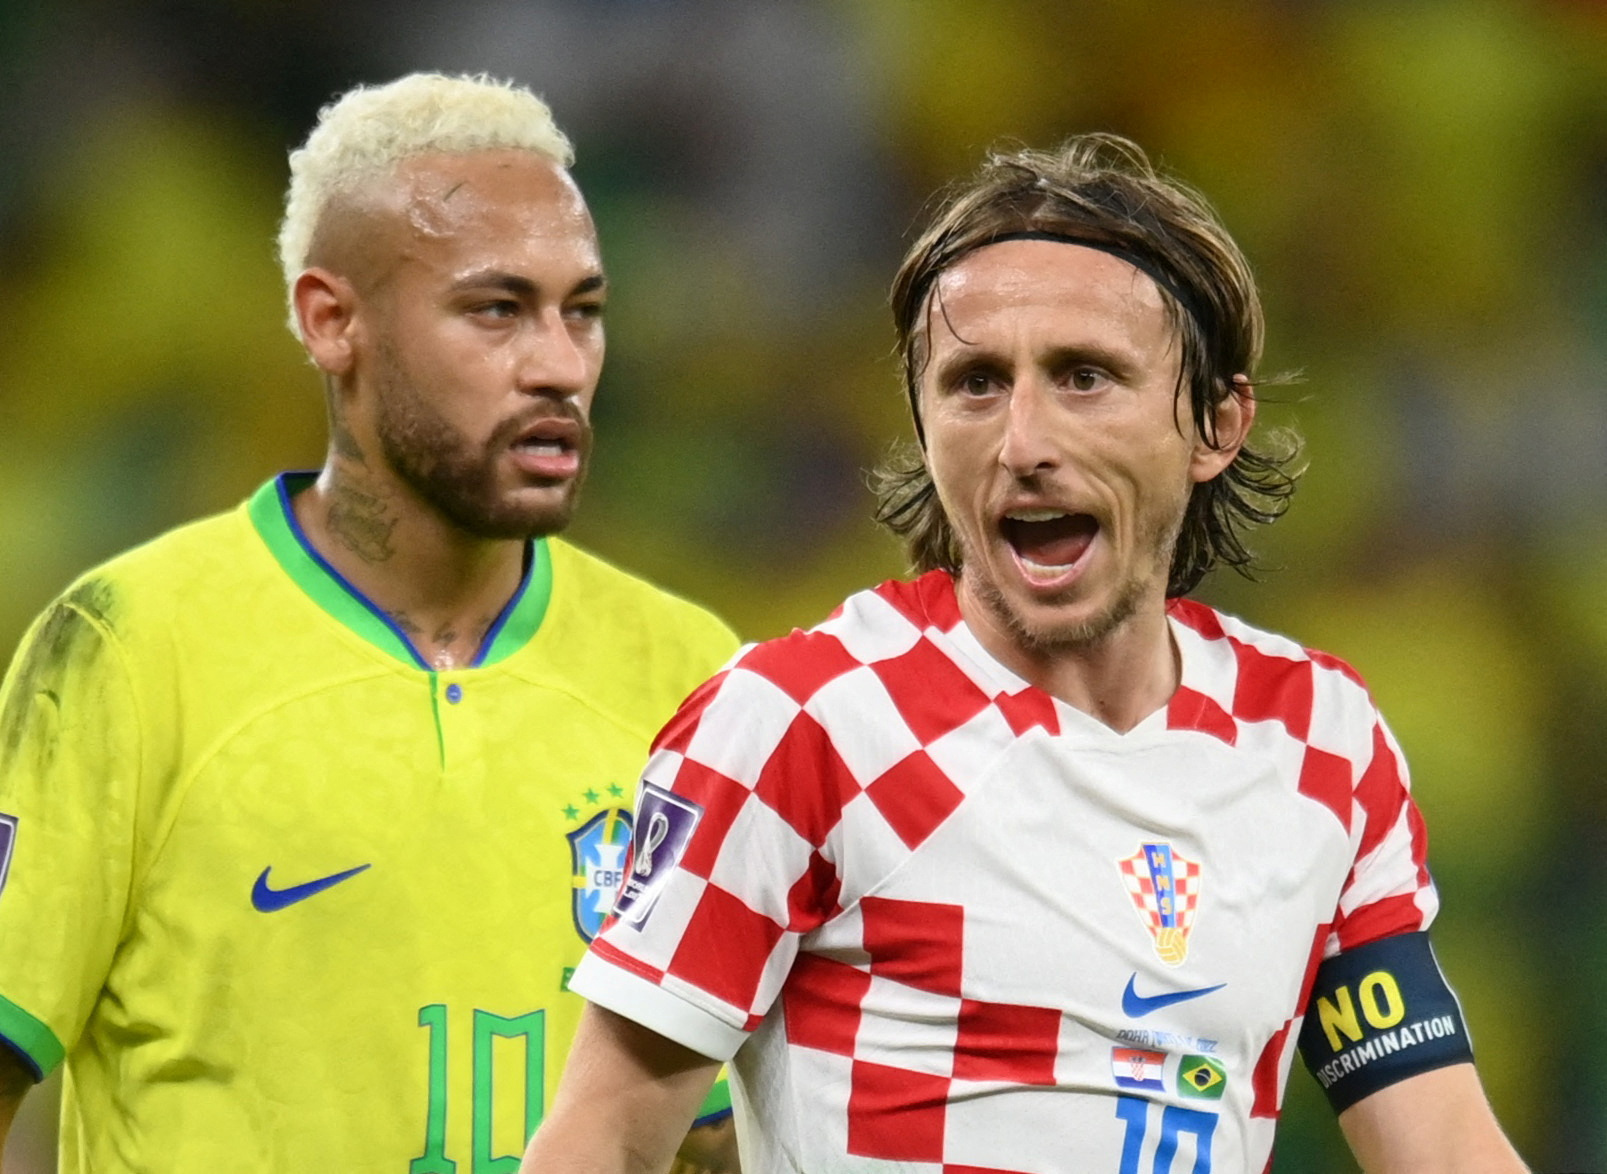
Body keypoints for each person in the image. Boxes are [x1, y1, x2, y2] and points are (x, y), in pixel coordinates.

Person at [520, 134, 1529, 1173]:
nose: (1021, 442)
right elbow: (605, 1137)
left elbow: (1441, 1142)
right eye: (973, 384)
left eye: (1083, 377)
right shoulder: (800, 720)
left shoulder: (1318, 737)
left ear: (1216, 424)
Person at [0, 72, 742, 1173]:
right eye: (495, 309)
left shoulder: (695, 677)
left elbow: (711, 1136)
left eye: (580, 311)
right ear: (330, 321)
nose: (557, 365)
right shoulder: (125, 645)